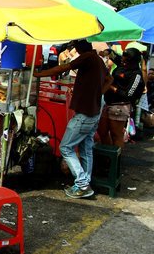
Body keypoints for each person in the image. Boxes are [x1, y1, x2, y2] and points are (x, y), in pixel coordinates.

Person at [34, 39, 112, 199]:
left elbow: (64, 67)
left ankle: (82, 184)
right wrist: (98, 94)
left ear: (77, 48)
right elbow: (110, 80)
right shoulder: (98, 59)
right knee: (86, 148)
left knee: (66, 148)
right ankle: (85, 183)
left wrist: (39, 74)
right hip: (93, 112)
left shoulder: (88, 57)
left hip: (86, 114)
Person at [97, 47, 145, 148]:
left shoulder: (136, 75)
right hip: (108, 103)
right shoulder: (122, 64)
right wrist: (106, 52)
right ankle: (108, 156)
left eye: (124, 57)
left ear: (130, 60)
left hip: (120, 107)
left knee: (116, 135)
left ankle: (115, 161)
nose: (122, 58)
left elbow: (128, 95)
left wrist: (110, 86)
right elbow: (112, 54)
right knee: (102, 131)